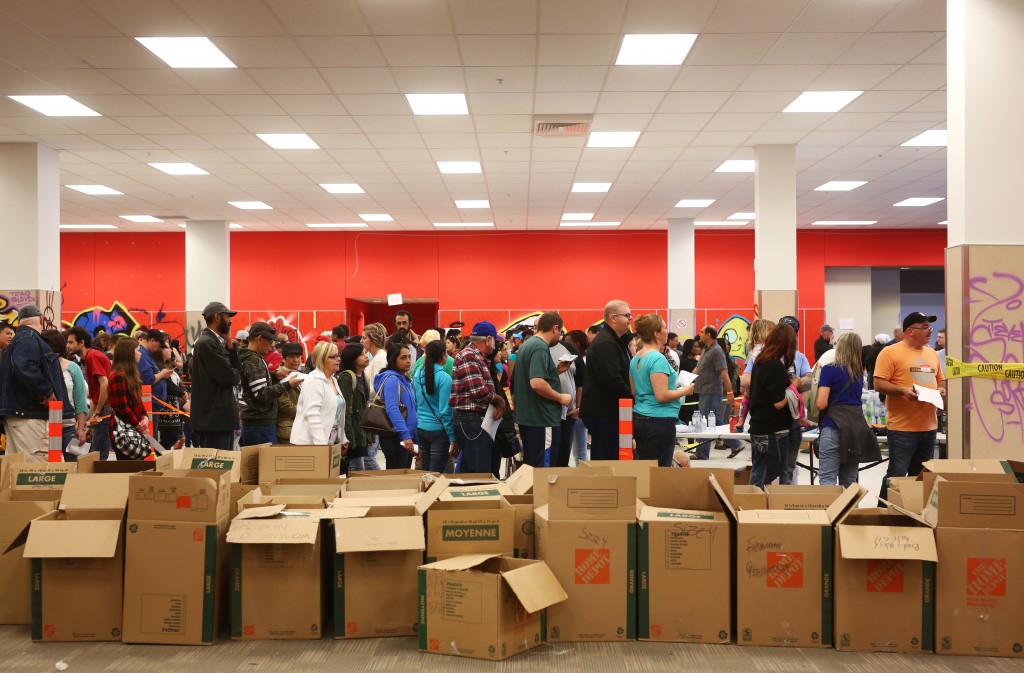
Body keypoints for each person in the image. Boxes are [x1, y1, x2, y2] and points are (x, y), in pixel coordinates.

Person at [873, 311, 946, 500]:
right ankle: (883, 514)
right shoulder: (890, 352)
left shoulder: (931, 353)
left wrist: (941, 389)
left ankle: (912, 516)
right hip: (902, 428)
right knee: (896, 475)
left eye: (930, 327)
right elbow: (879, 384)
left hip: (929, 427)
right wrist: (904, 391)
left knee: (920, 478)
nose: (930, 331)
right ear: (910, 331)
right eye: (924, 327)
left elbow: (940, 381)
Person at [815, 333, 880, 487]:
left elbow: (821, 404)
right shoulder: (858, 374)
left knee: (827, 479)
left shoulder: (829, 370)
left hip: (833, 427)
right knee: (850, 483)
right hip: (855, 432)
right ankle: (850, 512)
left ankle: (829, 512)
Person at [629, 315, 694, 466]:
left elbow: (635, 391)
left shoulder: (636, 359)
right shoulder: (658, 359)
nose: (667, 331)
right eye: (664, 328)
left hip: (640, 417)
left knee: (646, 467)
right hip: (659, 421)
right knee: (660, 470)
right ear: (656, 334)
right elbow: (662, 395)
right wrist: (684, 390)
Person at [0, 305, 63, 461]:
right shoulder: (29, 338)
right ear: (41, 319)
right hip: (30, 416)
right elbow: (23, 364)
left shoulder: (18, 341)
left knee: (20, 469)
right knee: (40, 470)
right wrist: (47, 390)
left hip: (20, 416)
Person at [513, 312, 572, 468]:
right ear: (555, 328)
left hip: (530, 418)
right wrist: (561, 398)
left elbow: (532, 378)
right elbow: (537, 383)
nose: (560, 336)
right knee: (543, 471)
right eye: (560, 332)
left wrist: (555, 372)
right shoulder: (540, 347)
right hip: (542, 418)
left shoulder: (528, 344)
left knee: (531, 467)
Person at [449, 321, 506, 474]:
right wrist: (499, 400)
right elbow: (478, 390)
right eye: (495, 340)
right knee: (478, 471)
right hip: (471, 420)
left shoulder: (477, 356)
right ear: (488, 339)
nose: (496, 346)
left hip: (473, 420)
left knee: (475, 467)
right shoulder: (469, 355)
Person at [579, 300, 634, 460]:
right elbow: (613, 379)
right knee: (605, 460)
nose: (630, 319)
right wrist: (632, 399)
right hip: (603, 412)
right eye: (627, 316)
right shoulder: (605, 343)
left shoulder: (614, 340)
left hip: (608, 411)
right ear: (613, 318)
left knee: (610, 456)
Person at [748, 323, 798, 488]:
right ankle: (766, 511)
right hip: (773, 431)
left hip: (759, 427)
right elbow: (778, 403)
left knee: (759, 475)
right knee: (774, 477)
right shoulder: (775, 366)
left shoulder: (760, 362)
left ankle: (753, 508)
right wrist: (793, 387)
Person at [238, 321, 301, 446]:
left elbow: (254, 385)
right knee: (264, 464)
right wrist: (288, 385)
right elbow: (261, 394)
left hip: (257, 423)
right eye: (270, 341)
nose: (271, 346)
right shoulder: (253, 360)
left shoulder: (251, 357)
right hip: (260, 425)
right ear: (259, 339)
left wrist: (274, 375)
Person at [190, 301, 242, 451]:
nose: (231, 320)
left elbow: (236, 374)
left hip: (218, 419)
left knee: (221, 469)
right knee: (217, 469)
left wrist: (231, 347)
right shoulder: (207, 343)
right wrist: (235, 372)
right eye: (227, 316)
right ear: (217, 318)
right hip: (214, 420)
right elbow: (231, 378)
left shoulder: (216, 343)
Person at [66, 325, 113, 460]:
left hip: (104, 409)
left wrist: (97, 412)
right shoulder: (92, 356)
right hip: (102, 408)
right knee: (98, 452)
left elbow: (104, 383)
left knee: (97, 455)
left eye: (70, 342)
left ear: (81, 343)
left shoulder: (92, 356)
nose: (67, 345)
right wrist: (90, 419)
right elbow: (96, 393)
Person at [776, 316, 813, 484]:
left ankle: (785, 496)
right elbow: (747, 380)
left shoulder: (800, 357)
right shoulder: (767, 355)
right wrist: (795, 382)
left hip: (793, 417)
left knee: (789, 467)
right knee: (770, 465)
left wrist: (792, 383)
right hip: (773, 416)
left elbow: (808, 381)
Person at [40, 330, 88, 461]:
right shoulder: (38, 368)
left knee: (73, 469)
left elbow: (80, 402)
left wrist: (81, 428)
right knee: (48, 469)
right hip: (44, 428)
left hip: (68, 427)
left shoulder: (73, 368)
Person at [692, 325, 737, 459]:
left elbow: (724, 373)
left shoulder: (717, 351)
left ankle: (702, 453)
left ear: (709, 335)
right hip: (704, 391)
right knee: (712, 421)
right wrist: (684, 380)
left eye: (701, 332)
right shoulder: (706, 349)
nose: (699, 334)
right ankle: (736, 444)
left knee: (706, 422)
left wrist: (729, 393)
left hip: (711, 392)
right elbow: (697, 369)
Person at [291, 341, 347, 447]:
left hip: (328, 442)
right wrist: (321, 444)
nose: (338, 359)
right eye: (333, 357)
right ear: (322, 359)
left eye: (338, 355)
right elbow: (312, 413)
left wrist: (341, 438)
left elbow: (337, 414)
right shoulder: (314, 380)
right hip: (310, 444)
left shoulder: (333, 380)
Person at [413, 340, 456, 473]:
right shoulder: (444, 378)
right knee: (436, 473)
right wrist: (452, 437)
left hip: (421, 428)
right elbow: (445, 411)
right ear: (443, 355)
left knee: (426, 472)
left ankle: (426, 494)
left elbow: (416, 403)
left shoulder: (418, 374)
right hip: (438, 431)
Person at [373, 344, 418, 470]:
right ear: (393, 360)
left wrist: (414, 436)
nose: (408, 360)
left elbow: (412, 409)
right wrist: (405, 435)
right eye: (403, 358)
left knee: (405, 475)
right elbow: (392, 409)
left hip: (407, 436)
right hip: (395, 437)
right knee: (396, 479)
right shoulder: (392, 380)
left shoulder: (405, 380)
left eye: (409, 357)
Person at [107, 337, 150, 460]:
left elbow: (138, 401)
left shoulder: (131, 375)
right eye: (137, 350)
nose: (140, 353)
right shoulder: (118, 376)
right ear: (129, 353)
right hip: (124, 432)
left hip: (133, 427)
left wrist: (145, 417)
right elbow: (121, 406)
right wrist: (138, 424)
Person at [549, 328, 582, 468]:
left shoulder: (568, 348)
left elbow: (582, 380)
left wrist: (578, 408)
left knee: (562, 456)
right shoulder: (535, 348)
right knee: (547, 457)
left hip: (568, 413)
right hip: (546, 413)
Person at [339, 343, 371, 471]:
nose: (366, 356)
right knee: (357, 469)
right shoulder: (346, 378)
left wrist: (370, 435)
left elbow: (366, 408)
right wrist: (349, 438)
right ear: (353, 359)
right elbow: (345, 409)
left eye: (365, 353)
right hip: (352, 432)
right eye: (362, 354)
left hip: (362, 432)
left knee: (361, 467)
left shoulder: (365, 377)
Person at [563, 329, 590, 464]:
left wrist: (579, 407)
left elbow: (582, 385)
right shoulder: (577, 359)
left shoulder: (581, 361)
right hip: (574, 410)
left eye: (568, 343)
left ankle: (582, 480)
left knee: (579, 452)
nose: (565, 346)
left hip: (577, 410)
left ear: (577, 343)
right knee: (578, 451)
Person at [275, 342, 303, 443]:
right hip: (287, 428)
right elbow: (283, 403)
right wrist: (302, 413)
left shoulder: (302, 374)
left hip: (302, 427)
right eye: (291, 357)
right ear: (284, 358)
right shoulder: (279, 374)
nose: (295, 360)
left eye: (298, 356)